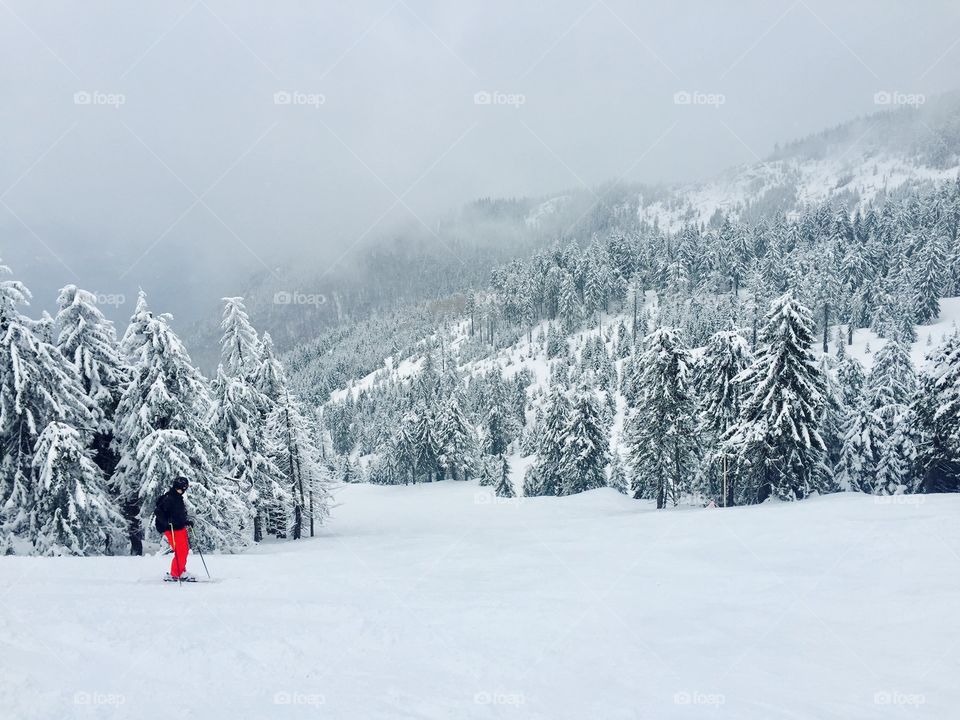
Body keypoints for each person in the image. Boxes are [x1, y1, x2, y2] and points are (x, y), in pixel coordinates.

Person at [154, 477, 194, 581]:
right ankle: (175, 574)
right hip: (172, 529)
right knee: (181, 551)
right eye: (183, 487)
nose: (184, 489)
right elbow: (158, 512)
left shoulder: (177, 497)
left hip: (179, 527)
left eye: (186, 487)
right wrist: (167, 521)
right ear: (178, 486)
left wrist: (185, 522)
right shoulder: (169, 498)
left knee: (184, 551)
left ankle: (181, 571)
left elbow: (177, 515)